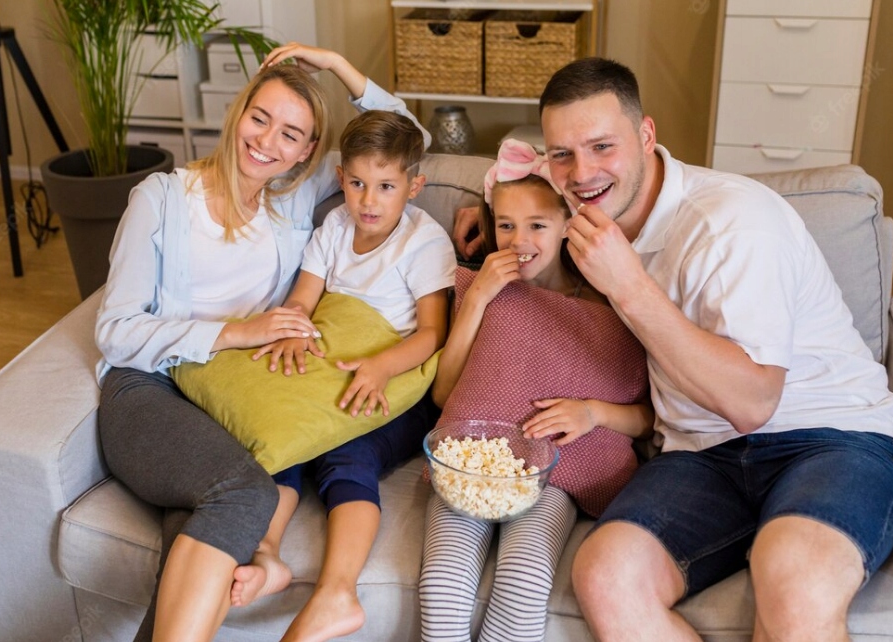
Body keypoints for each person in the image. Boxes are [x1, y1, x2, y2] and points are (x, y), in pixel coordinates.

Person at [450, 57, 893, 641]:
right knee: (607, 576)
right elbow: (530, 181)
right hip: (699, 453)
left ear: (646, 136)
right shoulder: (586, 206)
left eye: (602, 147)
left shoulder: (732, 223)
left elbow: (753, 403)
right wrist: (486, 209)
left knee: (794, 581)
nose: (582, 172)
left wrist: (631, 287)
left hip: (827, 437)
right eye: (563, 154)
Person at [94, 43, 431, 642]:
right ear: (238, 111)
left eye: (291, 134)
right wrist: (236, 333)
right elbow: (115, 332)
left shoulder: (292, 194)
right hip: (151, 389)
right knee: (242, 495)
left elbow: (406, 137)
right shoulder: (160, 198)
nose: (267, 142)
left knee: (192, 543)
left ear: (308, 152)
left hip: (239, 393)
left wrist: (336, 65)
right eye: (260, 118)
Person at [228, 109, 456, 642]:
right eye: (356, 184)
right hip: (335, 366)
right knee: (285, 434)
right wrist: (292, 329)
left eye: (385, 187)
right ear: (341, 179)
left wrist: (382, 365)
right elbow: (303, 298)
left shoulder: (424, 241)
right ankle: (267, 553)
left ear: (414, 186)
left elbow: (433, 333)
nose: (368, 201)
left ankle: (337, 593)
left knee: (347, 455)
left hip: (398, 380)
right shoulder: (335, 226)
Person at [418, 139, 652, 642]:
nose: (518, 241)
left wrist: (593, 412)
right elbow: (443, 396)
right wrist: (478, 298)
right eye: (505, 225)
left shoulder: (611, 304)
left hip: (554, 479)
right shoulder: (481, 289)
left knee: (524, 582)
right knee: (441, 584)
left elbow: (650, 418)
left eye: (537, 226)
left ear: (570, 223)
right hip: (468, 470)